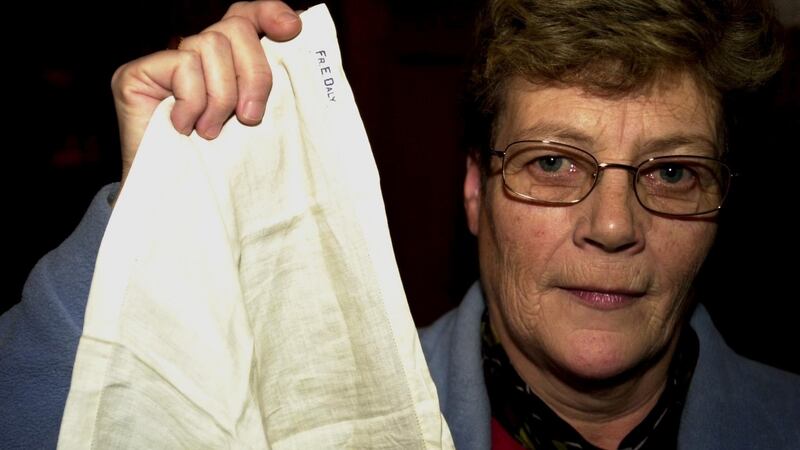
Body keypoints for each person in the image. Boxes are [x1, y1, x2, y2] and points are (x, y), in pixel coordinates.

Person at [1, 0, 798, 449]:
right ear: (476, 193)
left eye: (672, 172)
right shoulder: (295, 421)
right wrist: (154, 220)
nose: (615, 225)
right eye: (554, 163)